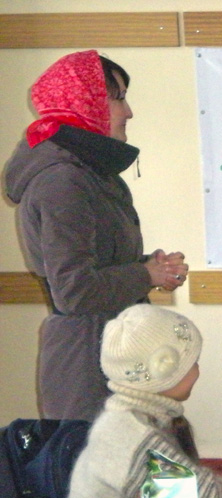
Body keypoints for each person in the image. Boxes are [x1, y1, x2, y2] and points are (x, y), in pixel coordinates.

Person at [5, 50, 189, 422]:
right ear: (84, 103)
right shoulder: (62, 181)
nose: (129, 112)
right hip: (87, 366)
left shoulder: (87, 173)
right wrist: (145, 274)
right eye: (118, 98)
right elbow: (75, 292)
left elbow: (96, 265)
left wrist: (149, 268)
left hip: (109, 351)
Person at [66, 304, 222, 498]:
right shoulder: (134, 437)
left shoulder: (127, 417)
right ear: (164, 370)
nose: (198, 369)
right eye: (192, 362)